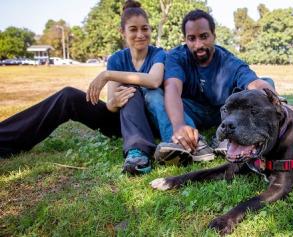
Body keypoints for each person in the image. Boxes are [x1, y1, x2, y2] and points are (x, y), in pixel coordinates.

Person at [0, 0, 164, 175]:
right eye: (133, 29)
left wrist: (107, 75)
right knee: (68, 96)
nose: (140, 34)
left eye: (145, 28)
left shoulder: (158, 54)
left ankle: (139, 151)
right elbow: (109, 105)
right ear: (122, 32)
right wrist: (114, 102)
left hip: (150, 122)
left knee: (132, 89)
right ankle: (5, 138)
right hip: (122, 121)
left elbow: (154, 81)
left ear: (150, 29)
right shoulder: (117, 59)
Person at [148, 9, 277, 164]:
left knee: (267, 82)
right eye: (192, 38)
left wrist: (277, 100)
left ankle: (228, 138)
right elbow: (173, 89)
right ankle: (187, 142)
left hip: (225, 113)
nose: (198, 44)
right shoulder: (177, 57)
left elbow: (254, 82)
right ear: (185, 40)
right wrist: (179, 125)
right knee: (153, 94)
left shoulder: (229, 61)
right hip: (189, 111)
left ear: (214, 35)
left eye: (204, 37)